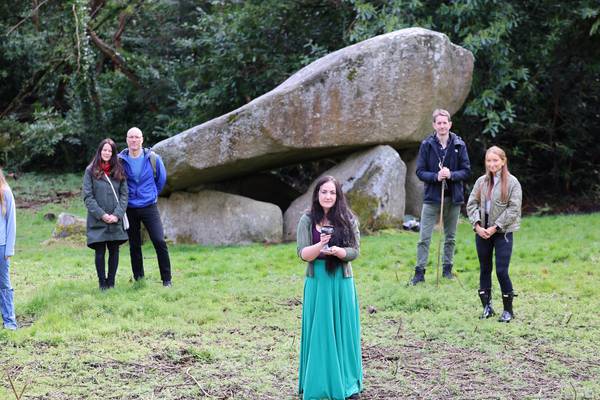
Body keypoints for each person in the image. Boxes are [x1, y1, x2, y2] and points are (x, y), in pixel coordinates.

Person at [296, 176, 362, 400]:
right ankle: (317, 384)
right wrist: (321, 246)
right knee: (320, 333)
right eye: (324, 192)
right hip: (318, 282)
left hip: (341, 282)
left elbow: (354, 251)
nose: (328, 196)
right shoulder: (306, 220)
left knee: (343, 332)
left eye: (332, 192)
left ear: (338, 195)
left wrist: (339, 252)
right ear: (317, 195)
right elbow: (303, 254)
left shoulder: (348, 219)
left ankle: (347, 384)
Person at [410, 109, 471, 285]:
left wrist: (451, 174)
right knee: (424, 237)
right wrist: (435, 177)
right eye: (439, 123)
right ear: (434, 125)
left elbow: (466, 170)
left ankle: (447, 270)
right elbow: (420, 172)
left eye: (445, 123)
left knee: (450, 237)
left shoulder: (459, 144)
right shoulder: (426, 145)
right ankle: (419, 273)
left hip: (453, 198)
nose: (442, 126)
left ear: (450, 124)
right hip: (432, 198)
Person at [467, 146, 522, 323]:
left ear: (503, 161)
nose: (492, 164)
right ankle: (487, 308)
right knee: (484, 269)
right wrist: (477, 225)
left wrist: (495, 227)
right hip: (482, 232)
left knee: (501, 271)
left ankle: (508, 311)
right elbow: (471, 204)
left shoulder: (512, 183)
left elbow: (514, 209)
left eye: (495, 160)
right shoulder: (481, 182)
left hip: (502, 233)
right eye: (489, 161)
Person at [118, 127, 172, 287]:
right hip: (129, 208)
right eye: (131, 137)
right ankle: (139, 279)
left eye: (137, 137)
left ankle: (167, 279)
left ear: (142, 139)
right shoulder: (120, 160)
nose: (134, 140)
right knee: (134, 245)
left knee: (159, 240)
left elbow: (161, 180)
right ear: (127, 140)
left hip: (149, 206)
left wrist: (151, 193)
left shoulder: (153, 158)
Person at [83, 139, 129, 290]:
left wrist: (117, 215)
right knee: (100, 251)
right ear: (99, 151)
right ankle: (102, 283)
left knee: (114, 250)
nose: (107, 153)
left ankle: (111, 282)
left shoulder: (119, 170)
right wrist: (102, 215)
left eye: (110, 151)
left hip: (116, 219)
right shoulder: (90, 171)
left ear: (113, 153)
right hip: (98, 219)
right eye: (104, 150)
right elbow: (88, 197)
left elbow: (124, 195)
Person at [0, 168, 17, 330]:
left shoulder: (5, 192)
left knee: (4, 284)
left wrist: (9, 250)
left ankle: (10, 322)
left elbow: (11, 222)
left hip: (1, 246)